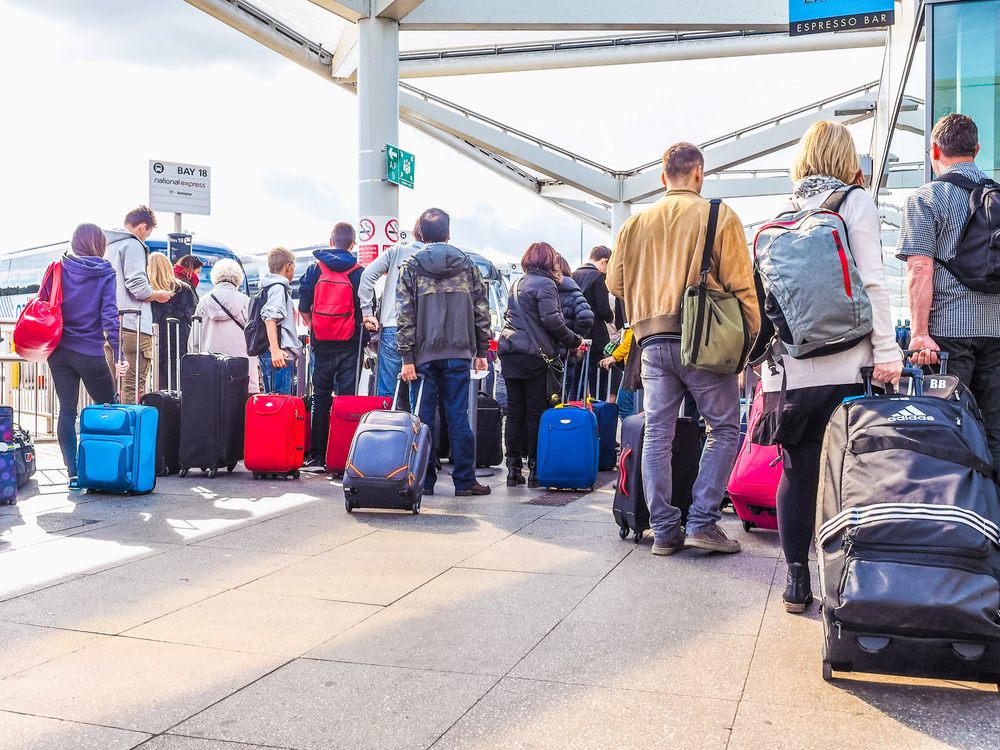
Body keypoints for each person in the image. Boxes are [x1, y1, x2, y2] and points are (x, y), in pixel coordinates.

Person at [755, 121, 902, 613]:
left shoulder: (782, 215)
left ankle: (797, 582)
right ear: (847, 159)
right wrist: (887, 352)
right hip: (848, 368)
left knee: (797, 473)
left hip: (790, 375)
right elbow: (874, 284)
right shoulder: (854, 202)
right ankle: (846, 580)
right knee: (850, 473)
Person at [608, 142, 760, 558]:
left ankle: (663, 530)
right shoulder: (718, 214)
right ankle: (703, 523)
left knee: (658, 431)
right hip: (704, 337)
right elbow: (741, 284)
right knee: (725, 428)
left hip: (651, 341)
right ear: (699, 174)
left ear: (662, 177)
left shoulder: (635, 222)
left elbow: (614, 284)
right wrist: (747, 342)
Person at [898, 113, 1000, 471]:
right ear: (977, 149)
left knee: (947, 430)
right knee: (996, 435)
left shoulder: (927, 198)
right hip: (996, 331)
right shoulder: (997, 198)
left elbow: (920, 268)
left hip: (947, 336)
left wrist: (919, 333)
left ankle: (958, 520)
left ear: (935, 150)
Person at [398, 207, 492, 496]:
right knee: (457, 415)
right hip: (459, 352)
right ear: (449, 234)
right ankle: (464, 481)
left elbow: (406, 315)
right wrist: (481, 350)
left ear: (421, 234)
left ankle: (423, 481)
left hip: (423, 357)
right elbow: (481, 310)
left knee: (423, 418)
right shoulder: (468, 266)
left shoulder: (411, 266)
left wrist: (406, 358)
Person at [44, 224, 127, 487]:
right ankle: (105, 467)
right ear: (99, 245)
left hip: (58, 351)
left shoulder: (57, 267)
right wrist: (118, 354)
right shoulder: (105, 273)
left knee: (66, 411)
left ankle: (73, 473)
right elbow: (109, 318)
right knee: (108, 409)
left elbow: (43, 306)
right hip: (89, 352)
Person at [499, 244, 584, 487]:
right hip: (533, 356)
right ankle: (535, 468)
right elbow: (552, 321)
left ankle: (513, 470)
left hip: (510, 352)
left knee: (514, 413)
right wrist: (574, 339)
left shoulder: (517, 283)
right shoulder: (545, 284)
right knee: (536, 412)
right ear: (548, 261)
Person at [298, 222, 368, 466]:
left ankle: (318, 456)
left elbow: (303, 307)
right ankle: (343, 455)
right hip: (351, 345)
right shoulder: (359, 272)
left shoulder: (315, 269)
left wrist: (315, 327)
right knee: (346, 399)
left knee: (320, 398)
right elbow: (366, 308)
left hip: (322, 345)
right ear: (353, 244)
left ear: (331, 242)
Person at [104, 206, 173, 402]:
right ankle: (130, 432)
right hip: (133, 326)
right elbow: (138, 287)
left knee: (112, 386)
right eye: (148, 233)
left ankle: (109, 429)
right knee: (133, 386)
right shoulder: (132, 245)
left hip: (110, 324)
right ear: (143, 226)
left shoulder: (107, 246)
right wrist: (158, 294)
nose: (146, 238)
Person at [359, 218, 425, 398]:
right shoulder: (433, 257)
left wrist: (367, 313)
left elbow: (366, 277)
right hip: (423, 332)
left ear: (414, 233)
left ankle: (384, 425)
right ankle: (413, 425)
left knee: (387, 394)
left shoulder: (396, 252)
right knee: (417, 395)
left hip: (391, 328)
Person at [193, 259, 259, 394]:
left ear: (215, 277)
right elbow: (254, 335)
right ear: (238, 279)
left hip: (210, 363)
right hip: (241, 364)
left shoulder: (203, 302)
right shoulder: (246, 301)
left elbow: (194, 338)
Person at [147, 252, 196, 390]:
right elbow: (190, 315)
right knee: (176, 381)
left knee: (155, 380)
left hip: (155, 340)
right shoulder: (184, 288)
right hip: (178, 340)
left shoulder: (148, 292)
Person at [573, 246, 615, 400]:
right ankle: (597, 416)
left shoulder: (573, 275)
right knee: (598, 384)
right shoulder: (598, 277)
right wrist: (611, 316)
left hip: (576, 336)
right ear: (605, 261)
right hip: (595, 338)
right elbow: (603, 310)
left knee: (576, 383)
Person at [258, 247, 302, 395]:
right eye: (294, 266)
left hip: (269, 354)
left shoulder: (268, 287)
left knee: (271, 404)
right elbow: (270, 316)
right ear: (288, 266)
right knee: (280, 405)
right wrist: (275, 350)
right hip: (279, 356)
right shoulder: (278, 288)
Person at [555, 255, 594, 338]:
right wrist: (575, 337)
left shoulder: (542, 289)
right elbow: (586, 316)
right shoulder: (571, 290)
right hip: (566, 346)